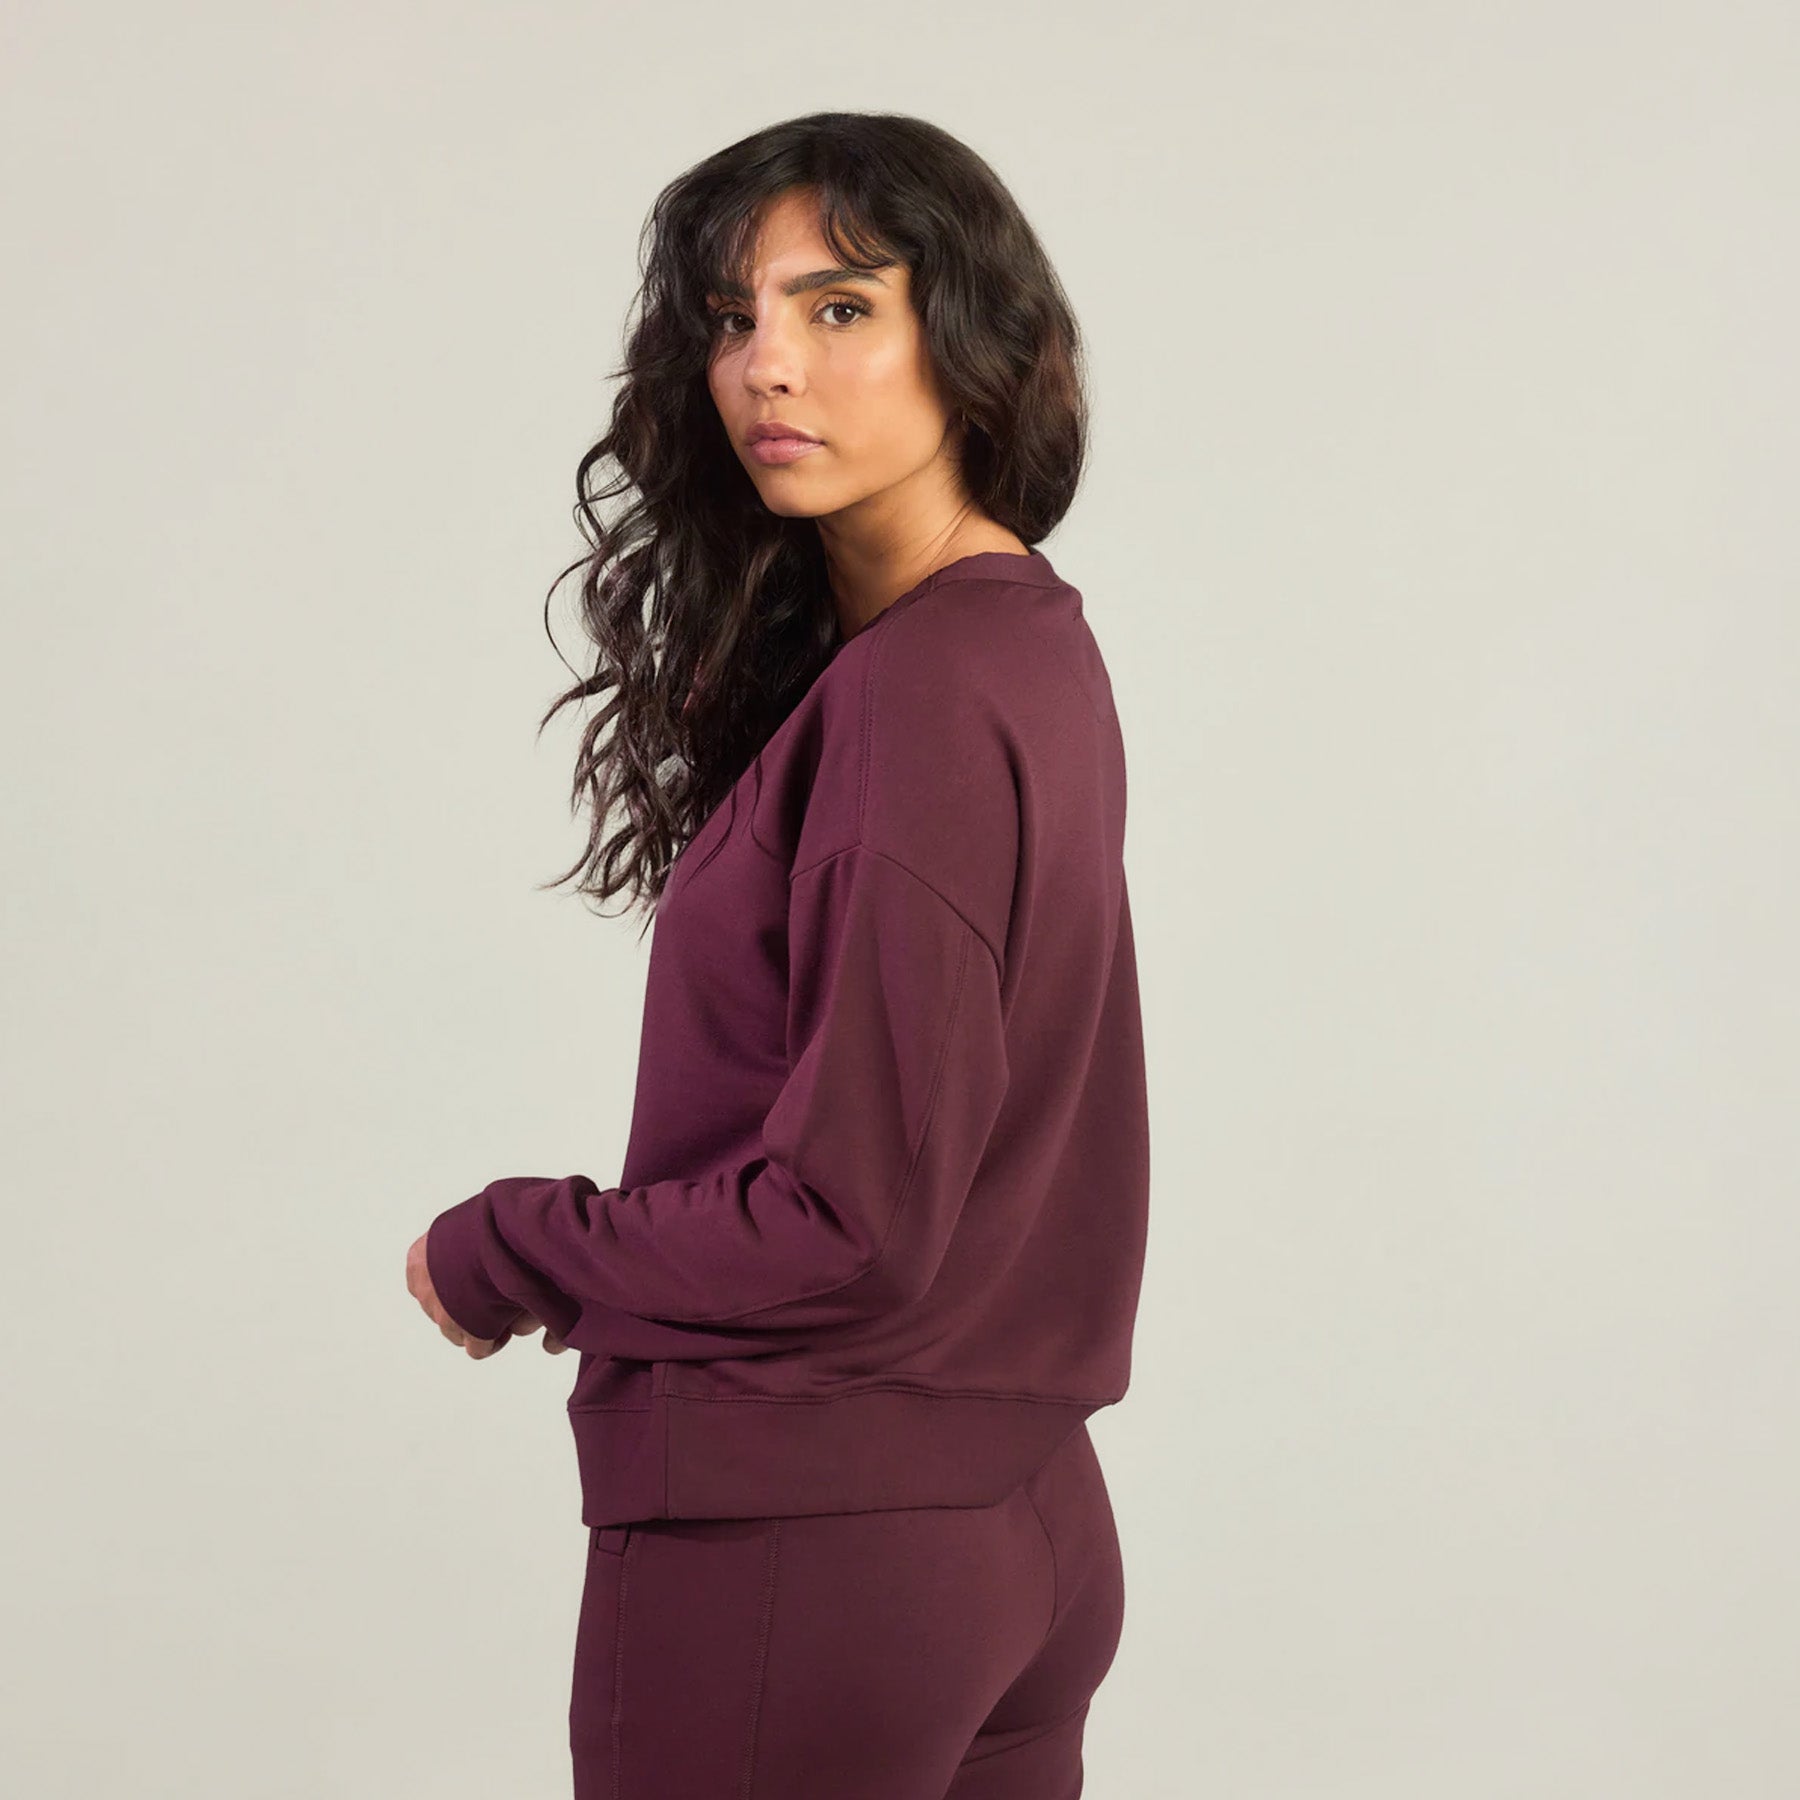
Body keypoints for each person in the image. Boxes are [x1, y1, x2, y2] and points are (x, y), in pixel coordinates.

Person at [403, 110, 1150, 1800]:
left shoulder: (920, 695)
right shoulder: (1027, 640)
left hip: (811, 1551)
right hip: (1019, 1530)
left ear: (974, 341)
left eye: (840, 307)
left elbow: (850, 1223)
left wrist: (513, 1242)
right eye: (735, 319)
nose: (767, 368)